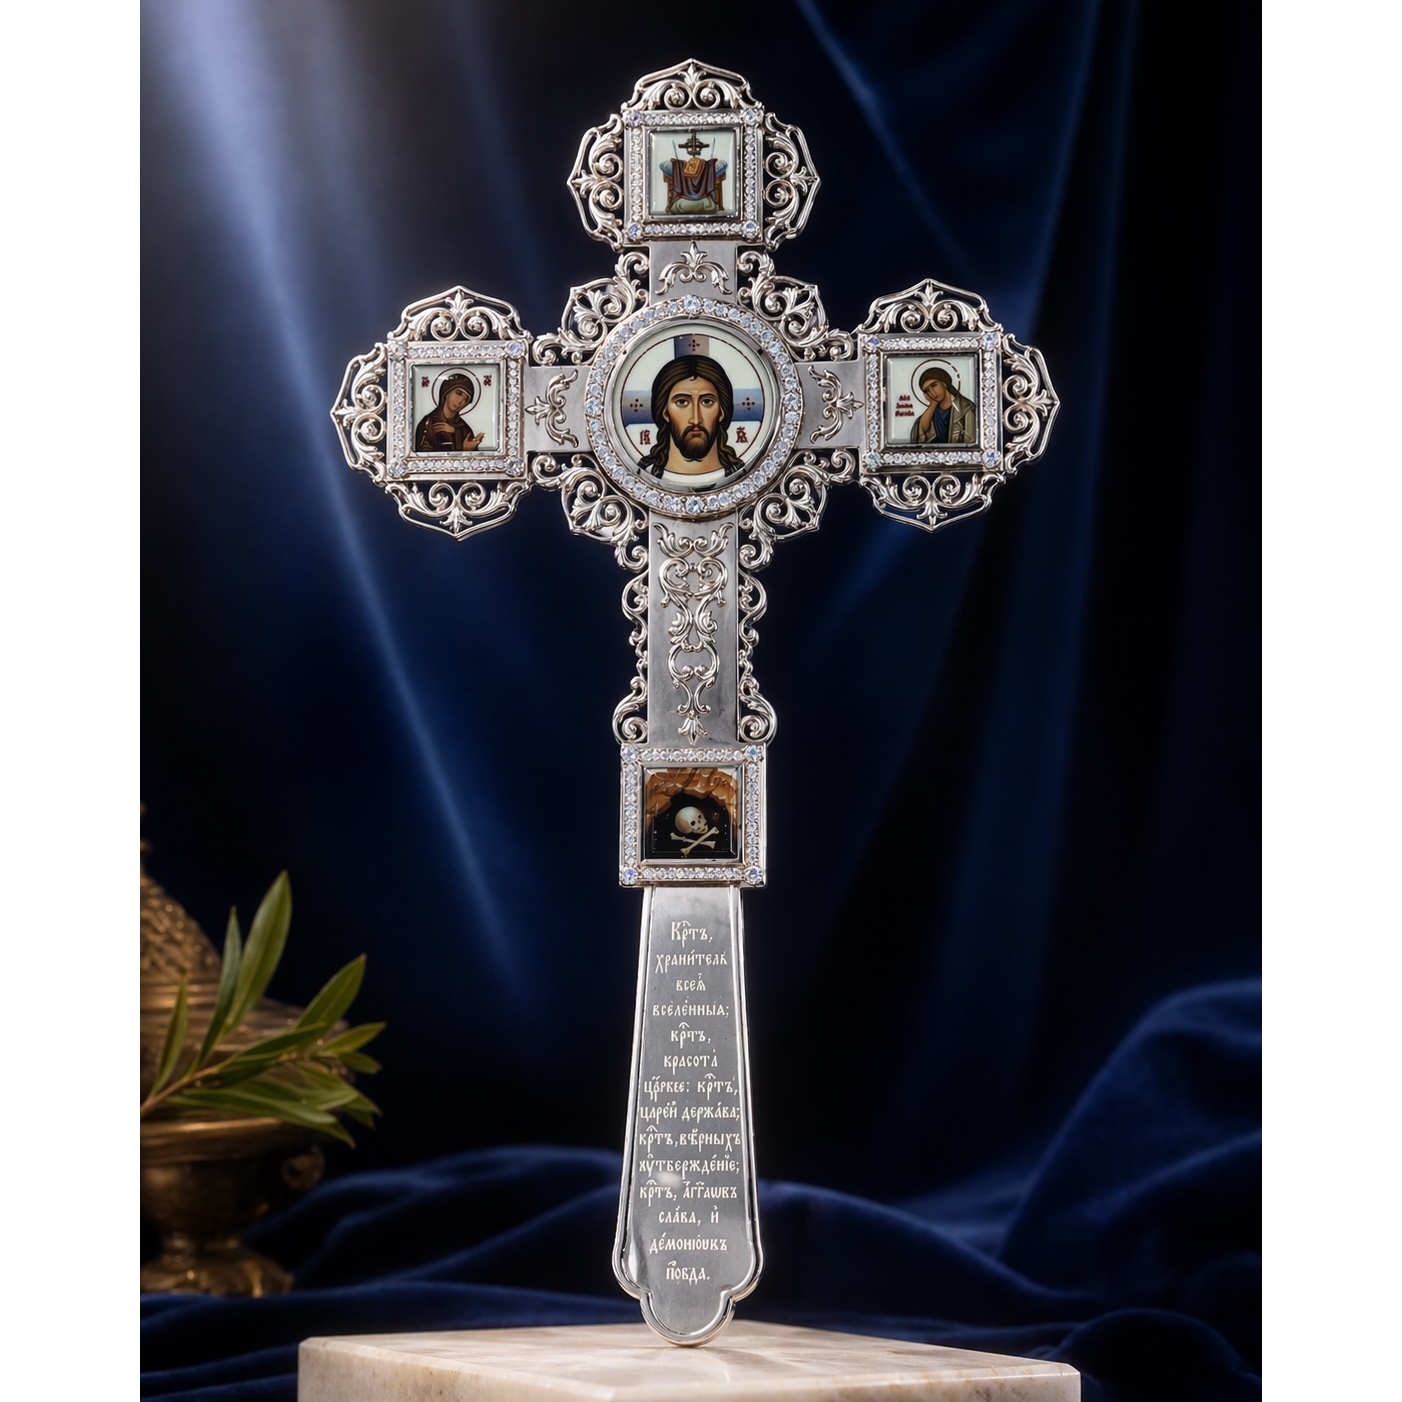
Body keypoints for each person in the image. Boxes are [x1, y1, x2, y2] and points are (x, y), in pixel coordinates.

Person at [638, 354, 745, 485]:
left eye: (707, 402)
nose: (695, 419)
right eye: (682, 402)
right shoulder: (641, 473)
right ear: (664, 412)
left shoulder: (743, 474)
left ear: (722, 411)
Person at [415, 373, 484, 452]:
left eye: (466, 399)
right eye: (459, 393)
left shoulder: (465, 429)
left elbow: (473, 456)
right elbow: (421, 453)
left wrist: (456, 433)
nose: (460, 401)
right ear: (447, 391)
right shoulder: (428, 423)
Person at [910, 366, 977, 444]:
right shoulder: (931, 414)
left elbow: (971, 441)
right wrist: (933, 404)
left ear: (944, 383)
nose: (932, 393)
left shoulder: (967, 410)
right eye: (927, 390)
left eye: (934, 385)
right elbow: (919, 437)